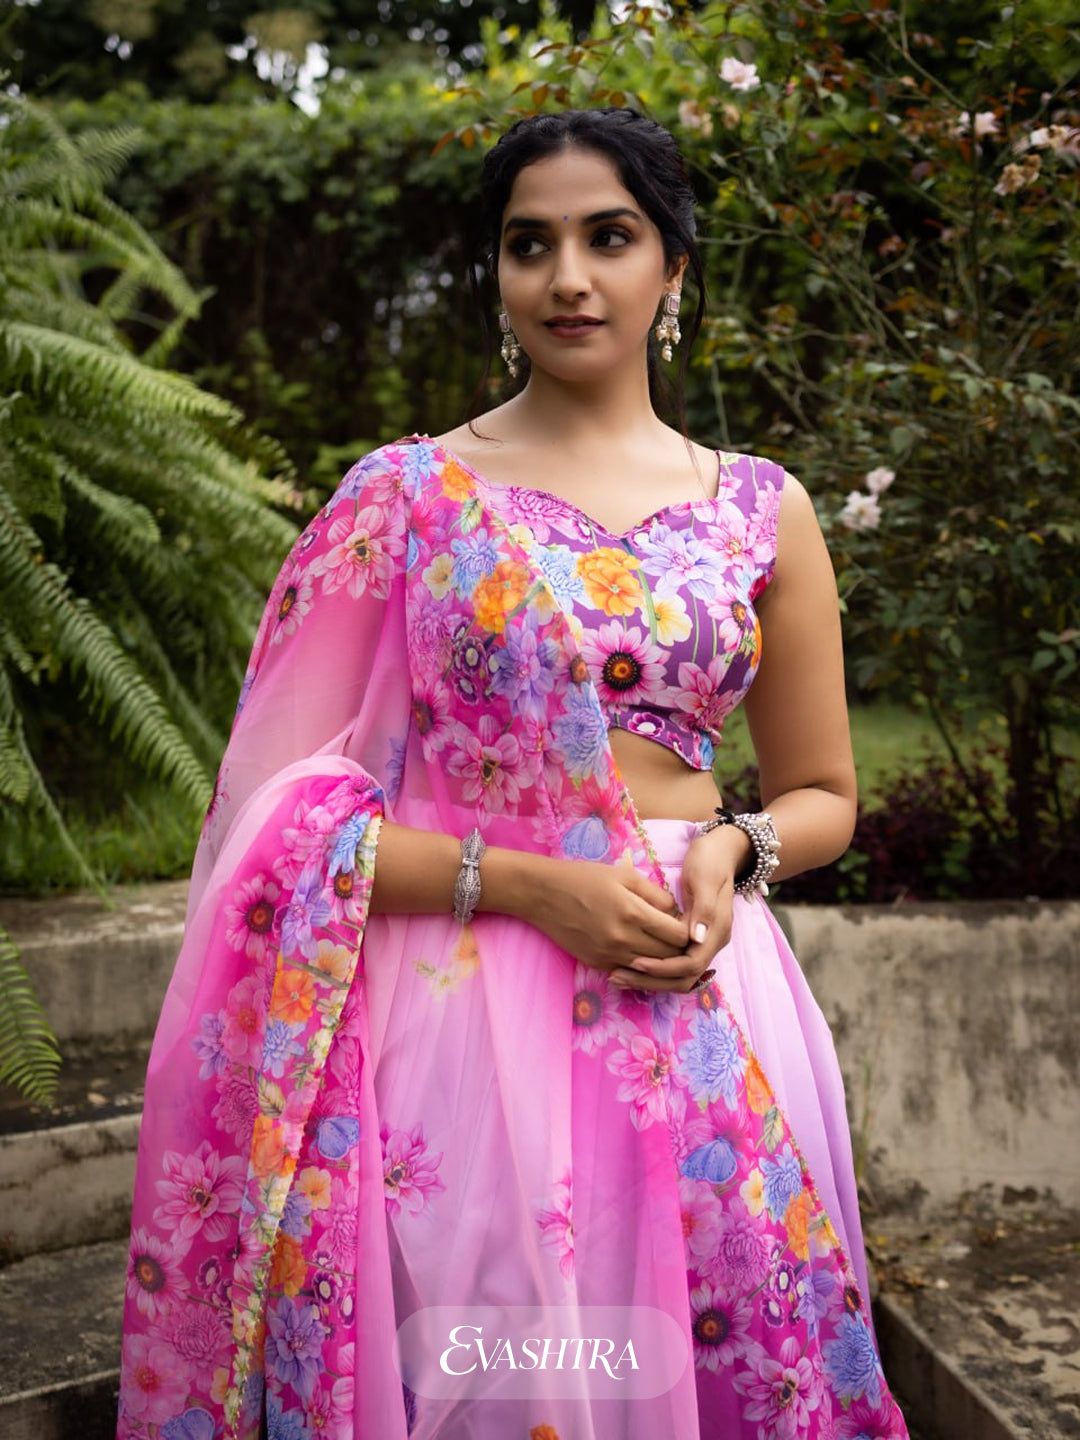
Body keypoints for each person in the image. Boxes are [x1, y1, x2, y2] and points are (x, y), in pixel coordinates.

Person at [117, 108, 910, 1439]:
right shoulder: (408, 498)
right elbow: (275, 823)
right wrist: (537, 889)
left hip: (704, 984)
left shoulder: (761, 507)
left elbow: (825, 793)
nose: (568, 277)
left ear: (672, 266)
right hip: (468, 1012)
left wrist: (729, 849)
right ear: (497, 276)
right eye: (528, 244)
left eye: (610, 237)